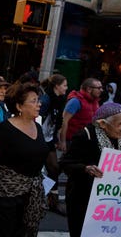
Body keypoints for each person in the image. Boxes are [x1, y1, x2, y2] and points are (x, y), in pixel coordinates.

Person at [60, 102, 121, 237]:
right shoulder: (85, 136)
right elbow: (65, 163)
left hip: (108, 201)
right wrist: (85, 168)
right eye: (120, 124)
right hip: (82, 197)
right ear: (103, 124)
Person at [0, 82, 49, 236]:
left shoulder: (38, 127)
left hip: (30, 195)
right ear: (19, 107)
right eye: (33, 101)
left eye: (38, 100)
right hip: (6, 197)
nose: (38, 104)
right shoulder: (4, 130)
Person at [38, 74, 68, 214]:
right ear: (57, 86)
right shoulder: (46, 100)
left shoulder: (60, 100)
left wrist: (57, 139)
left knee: (54, 169)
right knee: (37, 170)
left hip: (48, 139)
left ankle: (52, 201)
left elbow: (57, 122)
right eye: (64, 85)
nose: (66, 88)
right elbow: (38, 118)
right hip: (39, 139)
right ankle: (38, 199)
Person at [59, 78, 103, 152]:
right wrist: (63, 141)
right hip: (72, 141)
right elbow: (64, 121)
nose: (101, 90)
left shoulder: (95, 101)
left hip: (86, 141)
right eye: (99, 88)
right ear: (89, 89)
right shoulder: (75, 101)